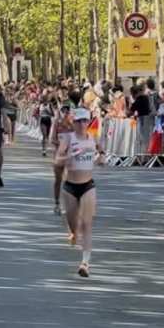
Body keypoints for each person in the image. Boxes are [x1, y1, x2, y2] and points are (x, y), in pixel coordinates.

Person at [55, 108, 101, 277]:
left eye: (85, 121)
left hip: (88, 185)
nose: (82, 124)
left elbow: (101, 153)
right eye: (79, 121)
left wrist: (100, 158)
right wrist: (69, 157)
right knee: (75, 226)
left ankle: (85, 263)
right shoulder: (68, 138)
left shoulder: (92, 138)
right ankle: (73, 233)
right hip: (70, 187)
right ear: (73, 123)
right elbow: (57, 160)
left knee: (87, 224)